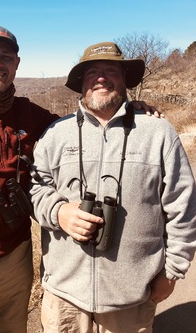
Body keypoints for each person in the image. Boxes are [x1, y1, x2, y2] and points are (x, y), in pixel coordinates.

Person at [0, 27, 162, 333]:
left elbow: (79, 125)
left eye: (6, 56)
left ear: (17, 63)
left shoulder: (28, 113)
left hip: (16, 256)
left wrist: (126, 111)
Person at [30, 41, 196, 333]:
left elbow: (182, 206)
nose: (101, 77)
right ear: (81, 83)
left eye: (111, 71)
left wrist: (172, 272)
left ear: (124, 80)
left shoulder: (157, 133)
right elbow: (35, 189)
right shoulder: (56, 134)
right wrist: (59, 213)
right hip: (64, 293)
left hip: (132, 296)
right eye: (92, 72)